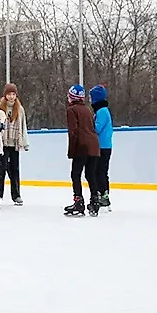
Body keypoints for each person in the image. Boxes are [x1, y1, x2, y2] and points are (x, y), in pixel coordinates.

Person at [64, 85, 101, 216]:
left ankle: (78, 201)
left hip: (82, 146)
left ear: (72, 97)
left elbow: (73, 132)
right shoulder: (87, 109)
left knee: (75, 174)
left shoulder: (72, 110)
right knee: (91, 175)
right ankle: (95, 201)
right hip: (94, 146)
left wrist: (72, 151)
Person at [0, 83, 29, 206]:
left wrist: (25, 143)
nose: (11, 97)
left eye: (13, 94)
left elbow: (23, 126)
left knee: (14, 169)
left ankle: (16, 195)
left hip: (14, 142)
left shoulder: (19, 109)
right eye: (9, 94)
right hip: (2, 142)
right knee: (1, 169)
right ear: (5, 95)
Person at [90, 85, 113, 209]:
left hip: (103, 147)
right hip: (103, 145)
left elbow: (97, 128)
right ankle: (102, 193)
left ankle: (104, 195)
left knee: (100, 171)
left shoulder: (102, 111)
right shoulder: (101, 111)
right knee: (99, 171)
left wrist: (89, 125)